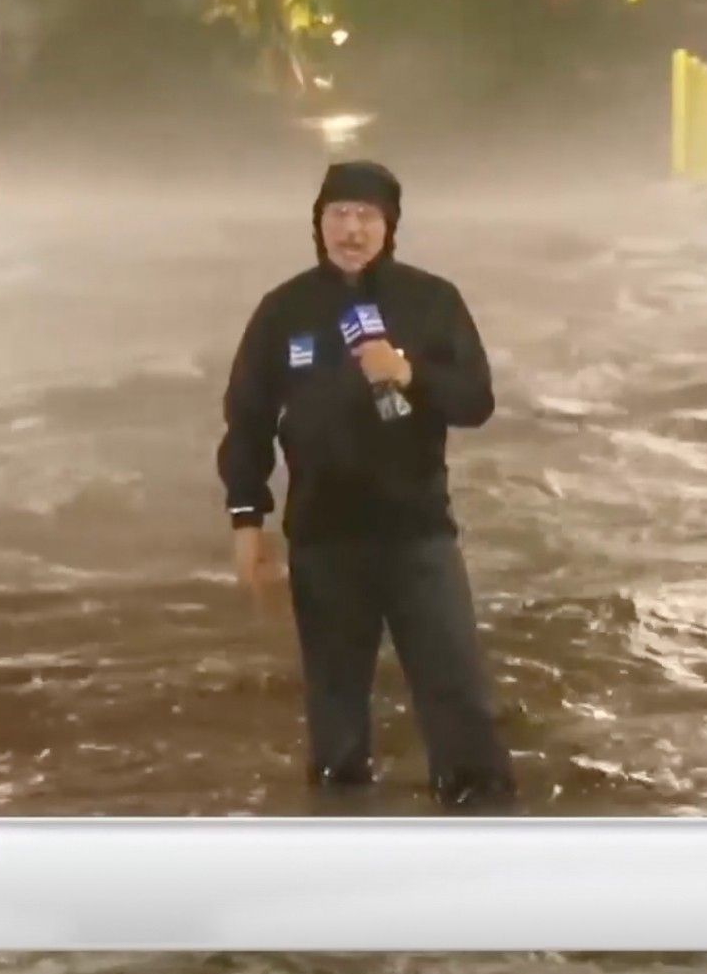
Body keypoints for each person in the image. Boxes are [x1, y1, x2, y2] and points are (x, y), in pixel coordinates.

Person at [217, 160, 516, 808]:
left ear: (390, 226)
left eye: (366, 215)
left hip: (418, 535)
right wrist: (247, 520)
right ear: (319, 222)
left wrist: (408, 372)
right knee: (336, 720)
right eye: (338, 214)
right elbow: (246, 421)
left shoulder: (431, 300)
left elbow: (477, 400)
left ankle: (485, 831)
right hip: (324, 540)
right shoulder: (284, 310)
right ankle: (340, 837)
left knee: (459, 697)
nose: (351, 229)